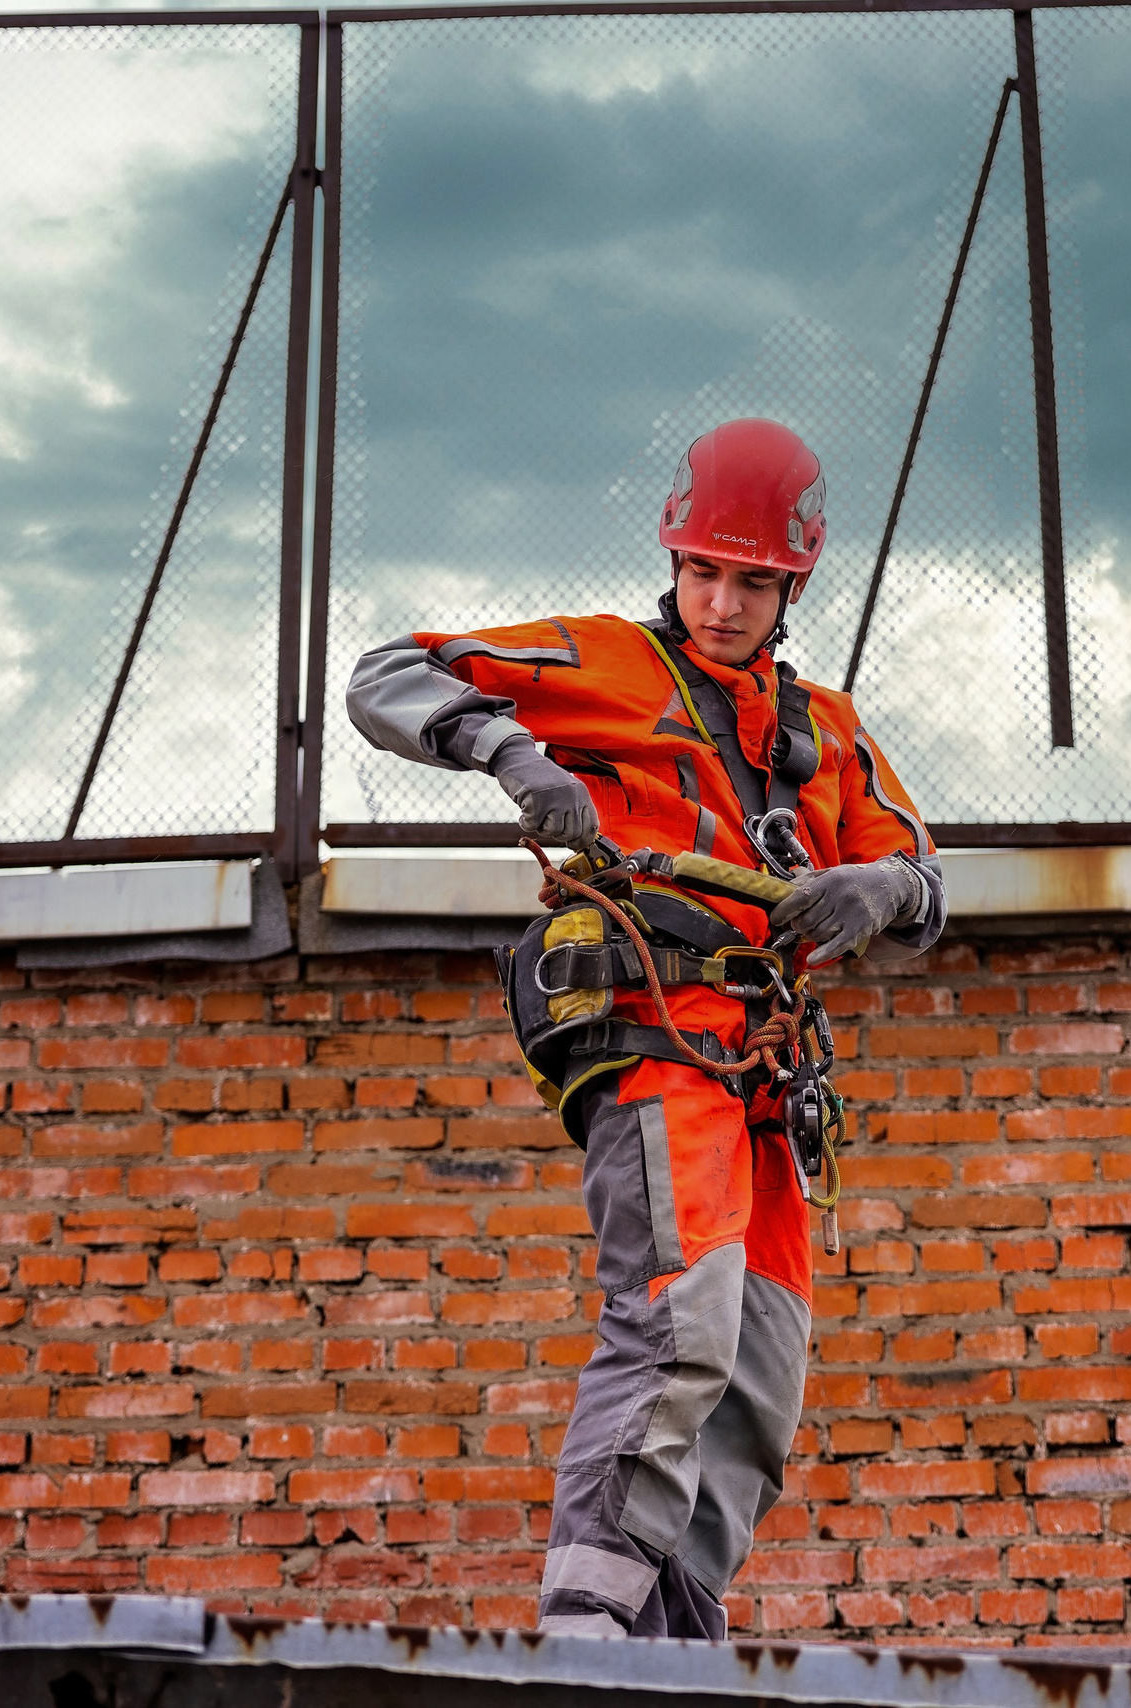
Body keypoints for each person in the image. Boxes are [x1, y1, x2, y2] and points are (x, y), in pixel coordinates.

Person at [345, 418, 947, 1640]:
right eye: (702, 571)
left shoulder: (824, 728)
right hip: (653, 1028)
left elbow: (924, 875)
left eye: (752, 580)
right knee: (679, 1321)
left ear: (795, 583)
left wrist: (877, 890)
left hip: (765, 1077)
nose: (721, 601)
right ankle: (585, 1637)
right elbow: (384, 676)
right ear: (672, 562)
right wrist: (515, 753)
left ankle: (675, 1640)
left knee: (757, 1378)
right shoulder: (606, 660)